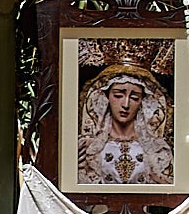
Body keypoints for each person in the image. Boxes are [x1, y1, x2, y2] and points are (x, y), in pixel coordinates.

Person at [75, 55, 175, 187]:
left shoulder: (156, 148)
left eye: (134, 97)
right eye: (118, 95)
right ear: (105, 98)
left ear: (143, 102)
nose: (126, 104)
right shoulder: (89, 146)